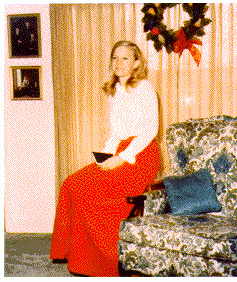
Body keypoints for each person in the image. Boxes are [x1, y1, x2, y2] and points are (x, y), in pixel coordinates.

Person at [50, 40, 161, 276]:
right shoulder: (114, 90)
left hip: (141, 155)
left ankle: (112, 259)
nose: (119, 63)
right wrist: (106, 156)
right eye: (115, 58)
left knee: (98, 192)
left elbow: (149, 130)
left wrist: (121, 158)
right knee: (73, 183)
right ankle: (82, 262)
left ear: (136, 63)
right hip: (120, 151)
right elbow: (114, 133)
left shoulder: (144, 88)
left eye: (125, 58)